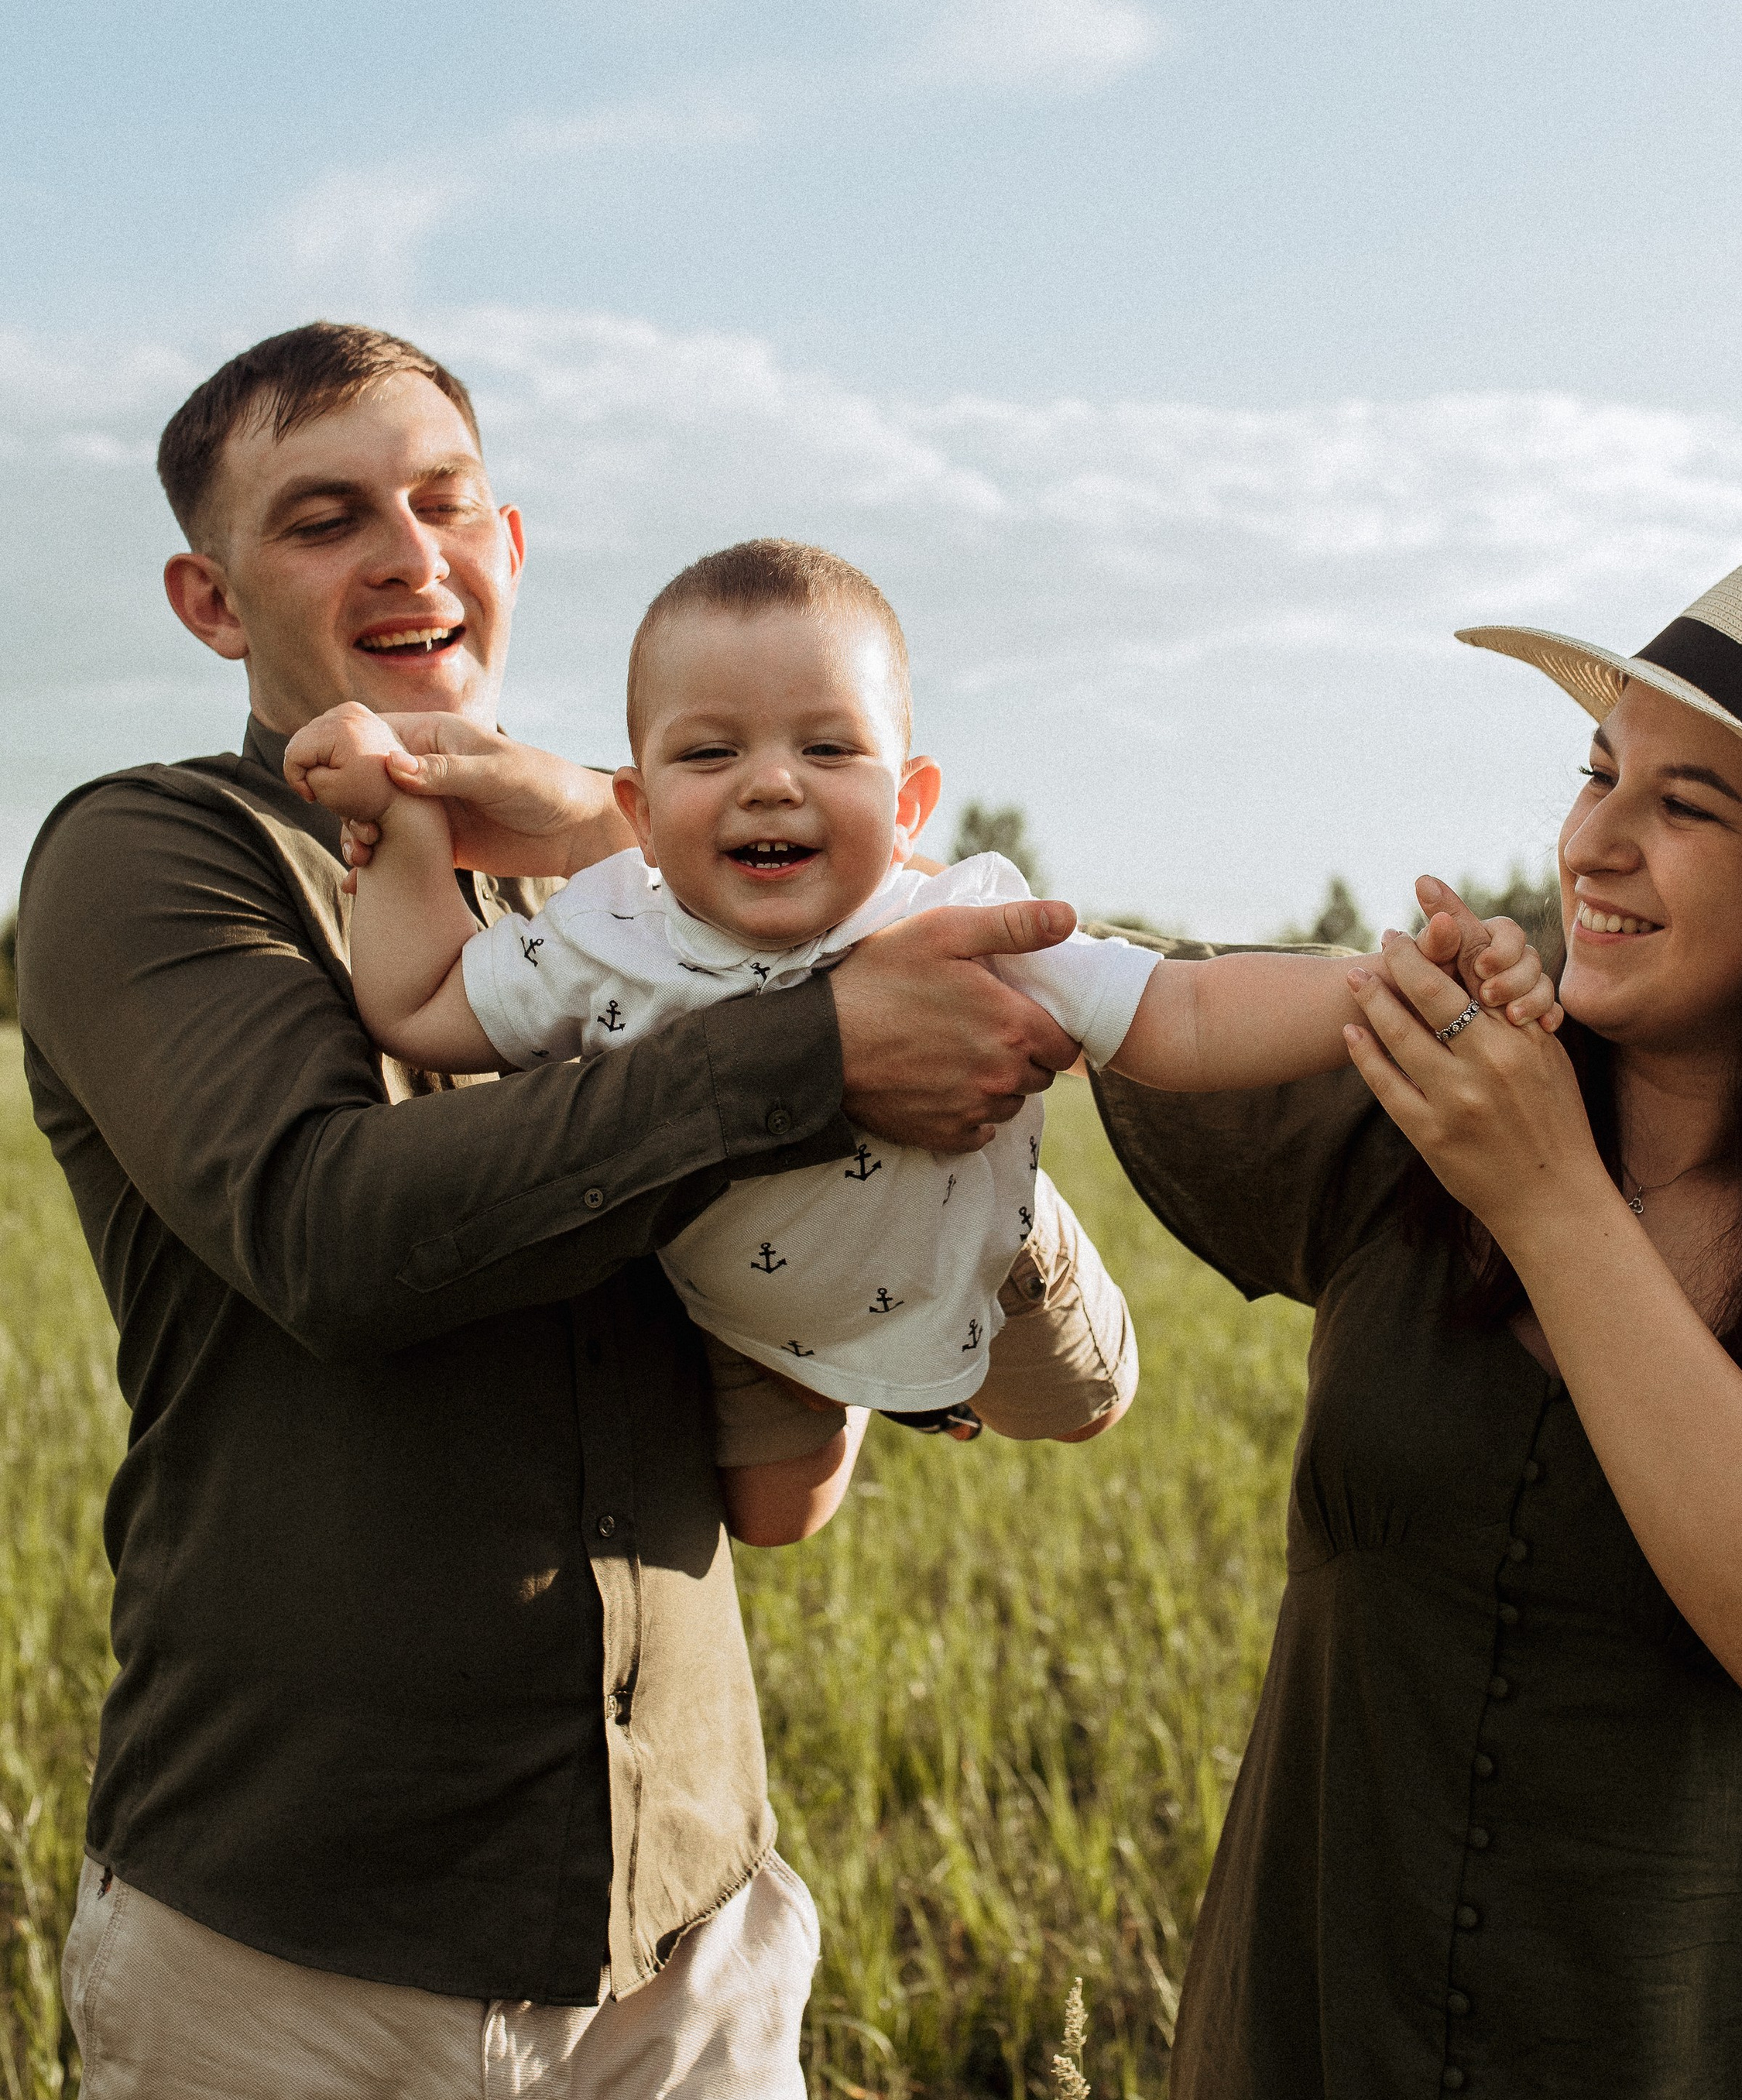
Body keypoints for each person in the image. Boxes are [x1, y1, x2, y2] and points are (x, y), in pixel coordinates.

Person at [15, 320, 1133, 2100]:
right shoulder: (149, 862)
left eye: (442, 499)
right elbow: (330, 1230)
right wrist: (804, 1053)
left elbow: (933, 1416)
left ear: (509, 540)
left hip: (678, 1966)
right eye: (324, 515)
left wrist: (909, 1103)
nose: (404, 550)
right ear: (209, 595)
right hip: (284, 1960)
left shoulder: (681, 911)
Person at [1089, 527, 1742, 2100]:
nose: (1593, 842)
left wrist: (1552, 1205)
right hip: (1325, 2035)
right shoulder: (1410, 1099)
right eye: (1593, 776)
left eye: (1685, 805)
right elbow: (1076, 997)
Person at [286, 536, 1562, 1508]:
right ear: (635, 804)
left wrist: (1389, 982)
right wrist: (400, 825)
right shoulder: (602, 930)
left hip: (981, 1265)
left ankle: (994, 1287)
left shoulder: (963, 924)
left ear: (908, 803)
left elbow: (1180, 1009)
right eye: (711, 753)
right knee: (779, 1513)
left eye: (828, 749)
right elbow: (422, 1004)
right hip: (746, 1311)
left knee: (1089, 1408)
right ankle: (860, 1394)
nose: (771, 779)